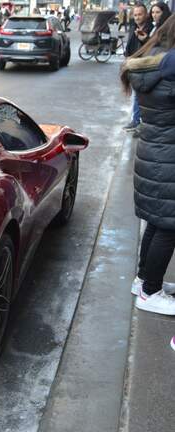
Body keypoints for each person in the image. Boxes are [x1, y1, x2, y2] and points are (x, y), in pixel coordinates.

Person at [121, 14, 175, 315]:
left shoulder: (152, 60)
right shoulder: (171, 70)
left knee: (158, 223)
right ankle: (151, 292)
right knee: (168, 228)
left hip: (155, 155)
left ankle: (143, 279)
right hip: (168, 160)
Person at [123, 4, 153, 131]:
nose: (137, 17)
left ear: (146, 15)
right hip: (134, 66)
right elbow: (130, 45)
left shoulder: (151, 29)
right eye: (135, 15)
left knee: (140, 95)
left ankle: (138, 121)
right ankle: (137, 121)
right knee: (136, 94)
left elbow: (152, 47)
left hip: (145, 66)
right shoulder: (133, 27)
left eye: (140, 14)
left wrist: (145, 39)